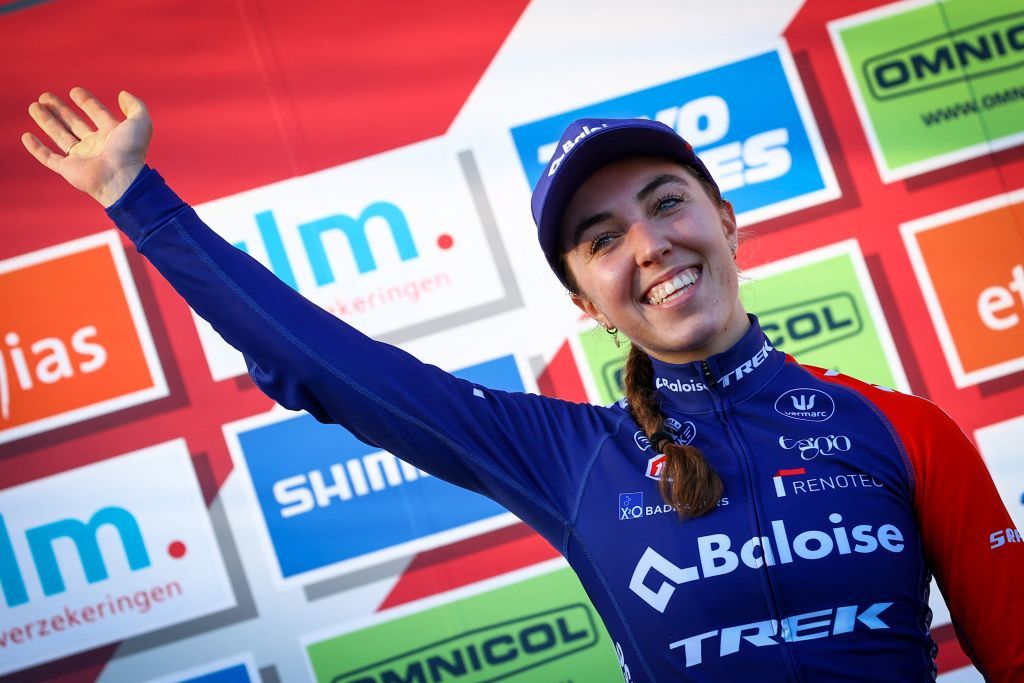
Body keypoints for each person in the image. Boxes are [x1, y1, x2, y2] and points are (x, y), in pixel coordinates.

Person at [23, 88, 1024, 681]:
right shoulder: (570, 457)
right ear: (586, 300)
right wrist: (136, 199)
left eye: (666, 203)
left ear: (726, 220)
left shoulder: (904, 431)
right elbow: (328, 365)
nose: (650, 245)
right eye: (601, 239)